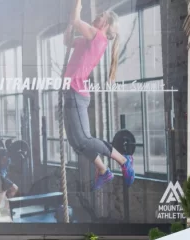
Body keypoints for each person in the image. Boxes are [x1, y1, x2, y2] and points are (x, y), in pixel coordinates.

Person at [62, 1, 134, 192]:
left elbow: (77, 20)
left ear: (106, 24)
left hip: (76, 92)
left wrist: (76, 9)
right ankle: (103, 170)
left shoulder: (99, 37)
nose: (97, 16)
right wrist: (70, 22)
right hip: (71, 93)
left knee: (84, 139)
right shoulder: (88, 39)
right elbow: (67, 41)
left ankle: (123, 160)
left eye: (101, 16)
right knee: (76, 143)